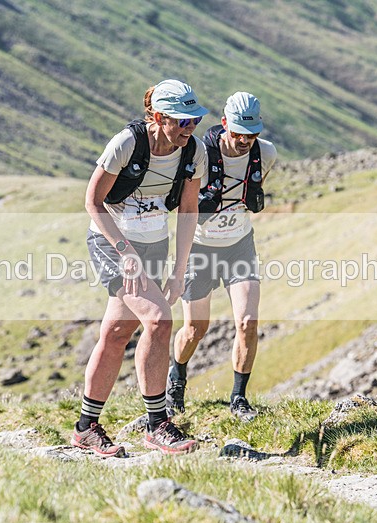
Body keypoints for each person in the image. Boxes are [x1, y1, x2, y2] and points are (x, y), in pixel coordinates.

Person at [72, 79, 209, 456]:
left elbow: (189, 211)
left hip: (153, 243)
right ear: (159, 117)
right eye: (182, 121)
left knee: (117, 333)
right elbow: (93, 201)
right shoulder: (127, 144)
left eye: (195, 120)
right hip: (112, 242)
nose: (190, 128)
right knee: (159, 320)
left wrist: (179, 271)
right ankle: (157, 424)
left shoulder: (193, 151)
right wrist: (125, 252)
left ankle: (85, 427)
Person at [167, 92, 278, 421]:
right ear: (225, 122)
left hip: (239, 245)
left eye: (252, 134)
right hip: (199, 247)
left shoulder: (265, 153)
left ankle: (239, 399)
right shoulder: (199, 153)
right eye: (239, 132)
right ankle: (176, 380)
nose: (245, 140)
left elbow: (250, 195)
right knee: (195, 329)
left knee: (247, 322)